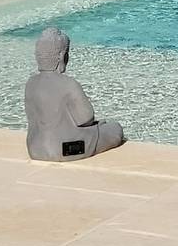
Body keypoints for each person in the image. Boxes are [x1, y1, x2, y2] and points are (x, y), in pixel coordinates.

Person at [24, 27, 124, 161]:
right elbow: (86, 118)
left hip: (35, 148)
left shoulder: (31, 83)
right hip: (67, 149)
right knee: (115, 129)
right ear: (61, 56)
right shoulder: (68, 83)